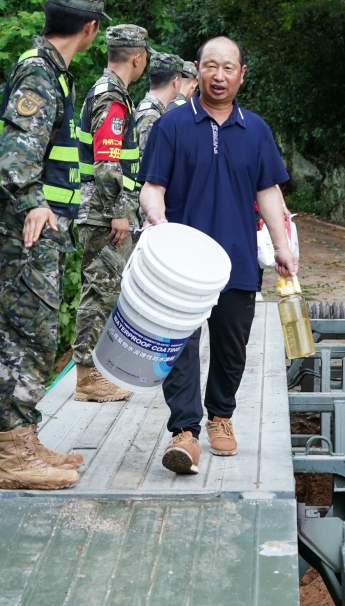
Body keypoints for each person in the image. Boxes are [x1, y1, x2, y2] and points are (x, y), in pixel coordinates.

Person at [139, 36, 297, 476]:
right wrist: (157, 222)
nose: (219, 76)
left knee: (232, 348)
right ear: (197, 69)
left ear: (242, 74)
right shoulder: (171, 126)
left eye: (229, 68)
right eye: (211, 66)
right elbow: (152, 187)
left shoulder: (256, 129)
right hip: (182, 267)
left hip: (238, 261)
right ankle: (184, 433)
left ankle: (221, 416)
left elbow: (269, 192)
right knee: (179, 348)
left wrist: (282, 248)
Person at [0, 0, 107, 490]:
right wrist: (35, 205)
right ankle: (14, 459)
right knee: (27, 336)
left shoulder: (54, 73)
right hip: (26, 232)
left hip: (42, 231)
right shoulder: (39, 75)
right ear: (90, 27)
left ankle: (26, 440)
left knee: (36, 335)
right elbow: (16, 160)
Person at [70, 25, 148, 404]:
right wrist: (119, 212)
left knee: (107, 290)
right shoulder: (112, 99)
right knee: (100, 292)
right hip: (103, 214)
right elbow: (107, 162)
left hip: (103, 211)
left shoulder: (111, 93)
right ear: (137, 57)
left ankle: (96, 372)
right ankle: (87, 377)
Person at [134, 52, 185, 156]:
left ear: (150, 79)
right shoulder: (152, 116)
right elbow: (149, 164)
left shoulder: (147, 108)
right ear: (175, 82)